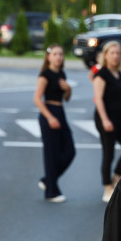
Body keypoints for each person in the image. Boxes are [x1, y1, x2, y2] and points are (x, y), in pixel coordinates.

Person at [92, 41, 121, 202]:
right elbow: (99, 100)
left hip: (119, 118)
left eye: (118, 53)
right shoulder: (101, 74)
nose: (116, 56)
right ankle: (107, 187)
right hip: (106, 119)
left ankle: (116, 176)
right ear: (105, 55)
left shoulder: (119, 75)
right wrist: (104, 120)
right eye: (112, 53)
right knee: (108, 153)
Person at [33, 44, 75, 203]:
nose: (59, 57)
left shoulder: (61, 74)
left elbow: (66, 98)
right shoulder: (45, 75)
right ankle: (51, 191)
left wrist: (69, 89)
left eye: (61, 54)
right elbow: (37, 99)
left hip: (60, 112)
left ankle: (47, 180)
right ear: (48, 57)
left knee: (70, 151)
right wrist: (50, 117)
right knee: (51, 154)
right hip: (48, 113)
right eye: (55, 54)